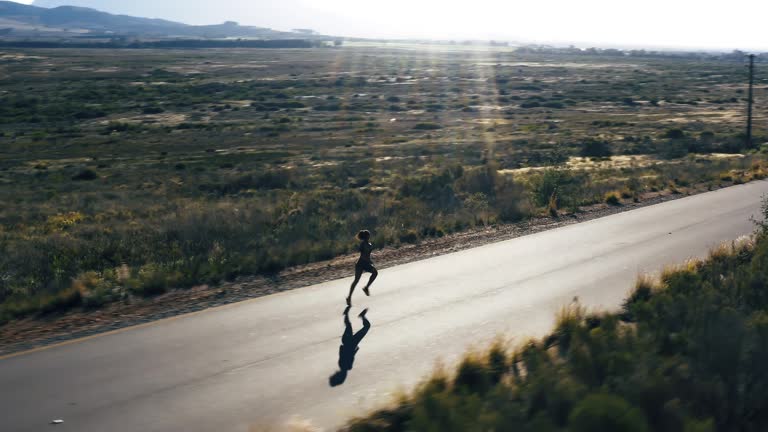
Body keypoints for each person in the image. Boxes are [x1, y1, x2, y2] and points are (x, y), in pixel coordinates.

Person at [329, 306, 370, 387]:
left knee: (366, 327)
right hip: (346, 341)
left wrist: (355, 350)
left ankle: (360, 316)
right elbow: (342, 350)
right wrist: (350, 349)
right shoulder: (341, 364)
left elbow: (350, 355)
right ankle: (347, 314)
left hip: (352, 343)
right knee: (349, 325)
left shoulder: (348, 366)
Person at [346, 230, 378, 306]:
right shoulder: (363, 244)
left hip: (365, 263)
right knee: (356, 281)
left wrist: (370, 261)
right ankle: (349, 297)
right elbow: (362, 253)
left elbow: (367, 255)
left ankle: (366, 287)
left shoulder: (369, 244)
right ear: (366, 236)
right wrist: (369, 261)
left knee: (375, 273)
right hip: (361, 264)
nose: (369, 236)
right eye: (368, 235)